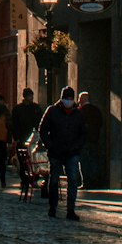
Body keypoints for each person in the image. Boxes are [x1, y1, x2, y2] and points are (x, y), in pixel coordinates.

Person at [39, 83, 86, 220]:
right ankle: (52, 208)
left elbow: (83, 133)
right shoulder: (52, 111)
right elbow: (43, 130)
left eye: (71, 98)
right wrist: (50, 145)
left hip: (72, 152)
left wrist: (77, 147)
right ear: (62, 99)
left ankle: (70, 210)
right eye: (66, 98)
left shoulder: (78, 114)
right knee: (54, 180)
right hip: (56, 152)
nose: (68, 101)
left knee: (72, 180)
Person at [77, 91, 104, 191]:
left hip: (83, 141)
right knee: (94, 160)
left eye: (79, 98)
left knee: (84, 161)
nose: (78, 100)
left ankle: (86, 182)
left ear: (82, 99)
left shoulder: (80, 111)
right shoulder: (96, 110)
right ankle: (96, 181)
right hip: (94, 139)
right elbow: (100, 123)